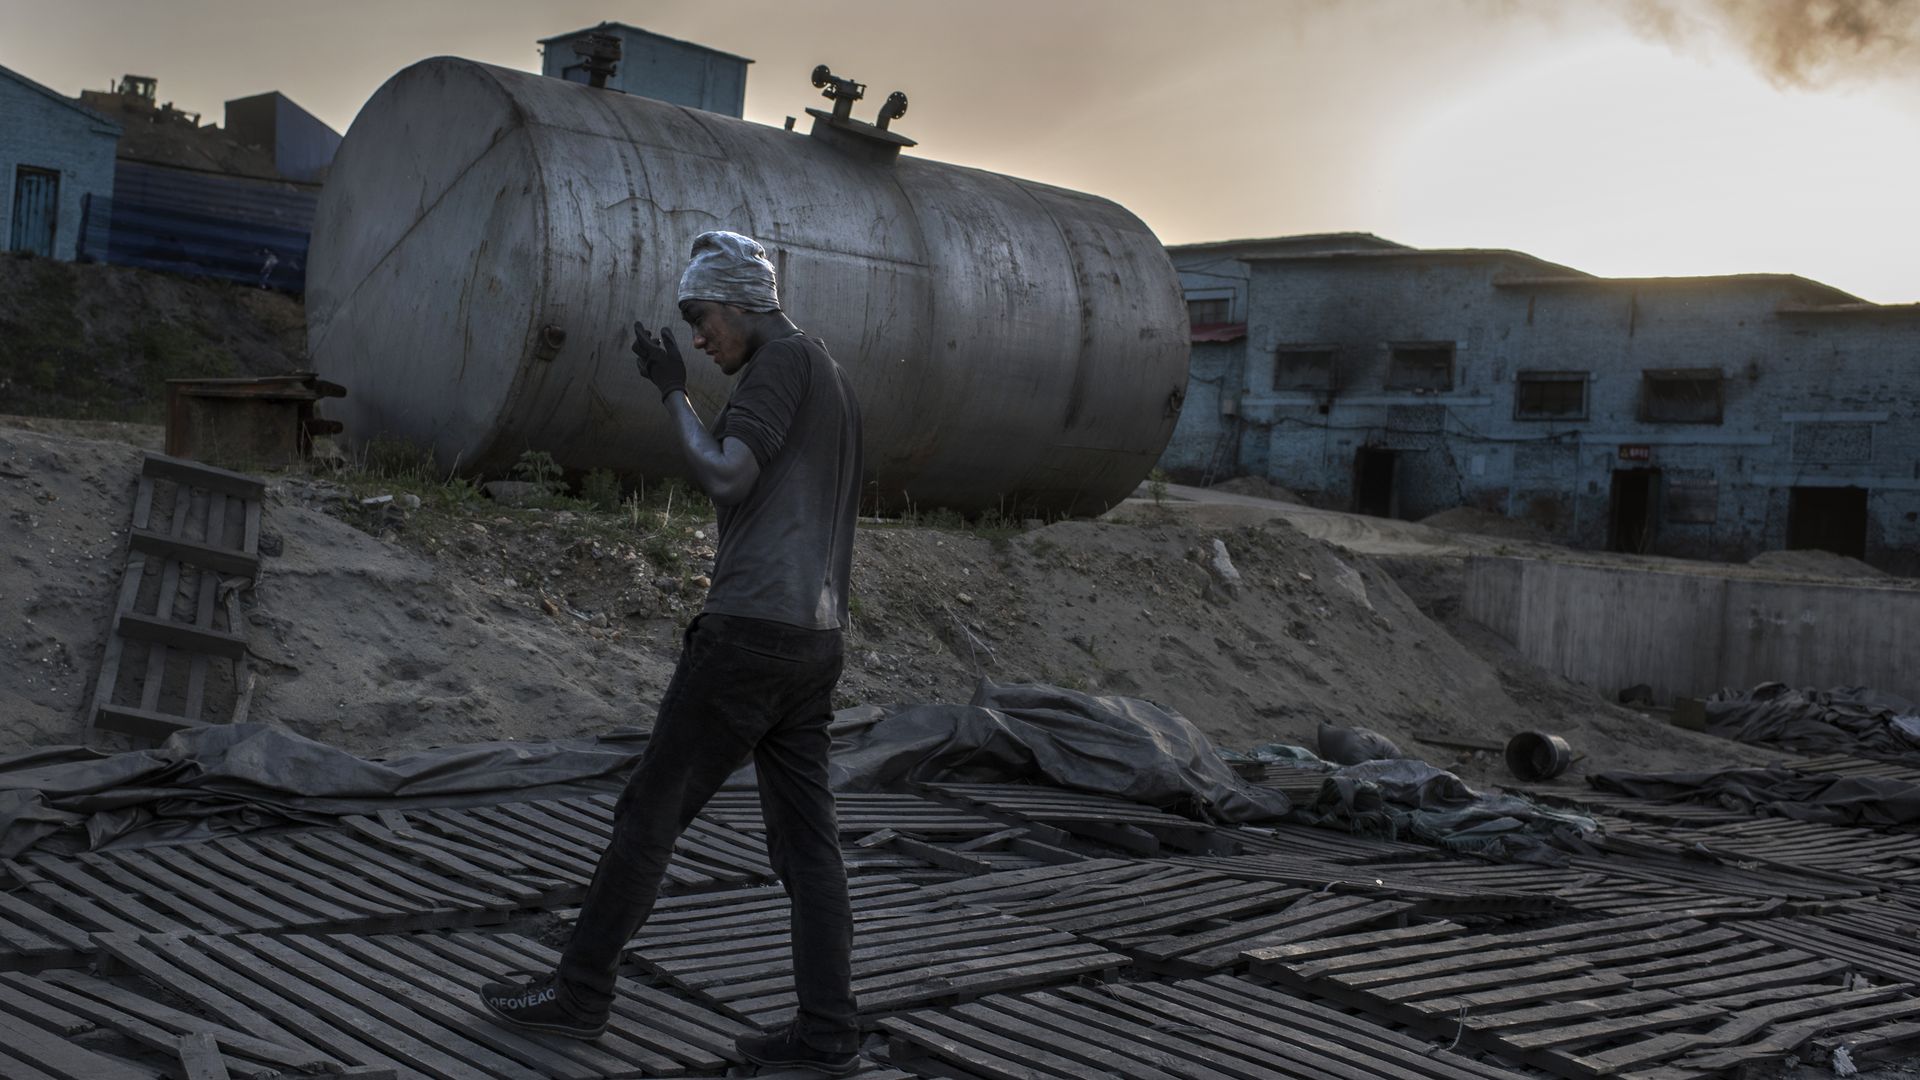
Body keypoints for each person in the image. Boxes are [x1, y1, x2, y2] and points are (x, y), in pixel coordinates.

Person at [479, 230, 865, 1076]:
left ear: (742, 304)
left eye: (701, 318)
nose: (697, 338)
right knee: (808, 847)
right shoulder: (833, 376)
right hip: (814, 642)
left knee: (648, 817)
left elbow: (728, 475)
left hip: (749, 638)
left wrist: (673, 397)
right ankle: (829, 1033)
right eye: (691, 326)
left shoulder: (781, 365)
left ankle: (579, 995)